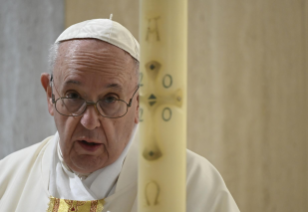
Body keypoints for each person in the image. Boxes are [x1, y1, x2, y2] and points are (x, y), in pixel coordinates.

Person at [0, 19, 240, 212]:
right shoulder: (8, 177)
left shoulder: (190, 182)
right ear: (50, 94)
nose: (89, 121)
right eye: (73, 95)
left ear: (137, 103)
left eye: (110, 99)